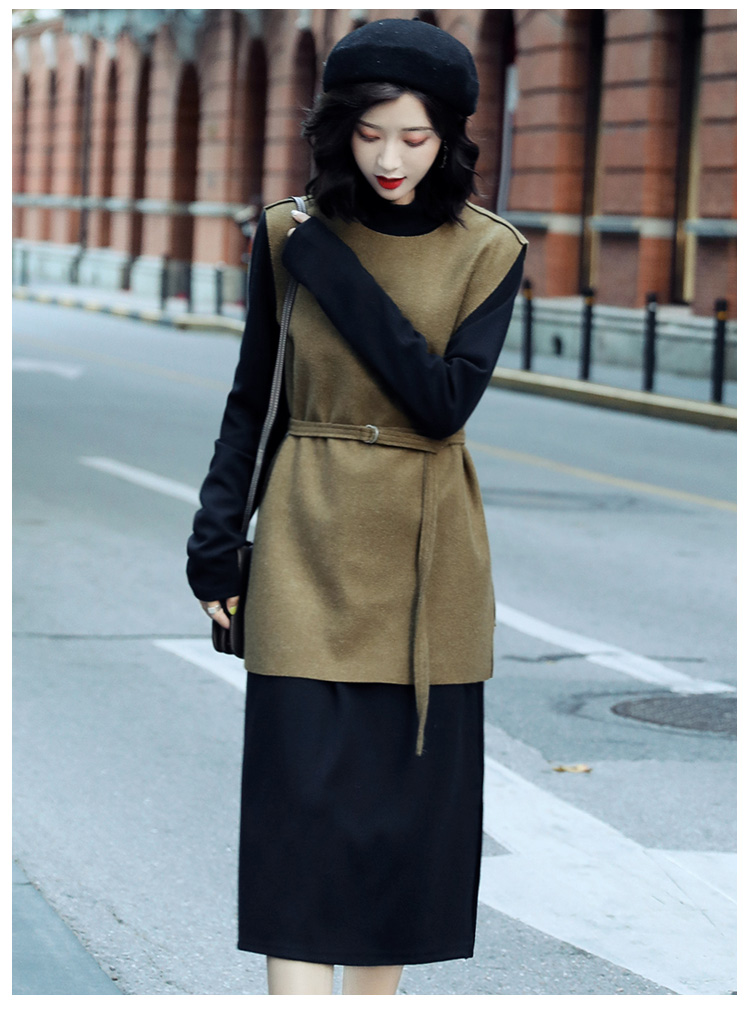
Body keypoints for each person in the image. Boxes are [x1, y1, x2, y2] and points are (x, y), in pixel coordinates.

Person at [186, 18, 527, 996]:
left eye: (415, 138)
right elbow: (254, 397)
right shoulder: (287, 232)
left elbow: (442, 401)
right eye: (371, 134)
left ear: (450, 137)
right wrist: (216, 543)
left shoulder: (488, 249)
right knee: (295, 824)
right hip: (304, 544)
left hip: (430, 567)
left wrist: (334, 268)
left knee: (397, 839)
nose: (389, 159)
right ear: (339, 128)